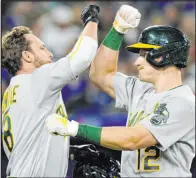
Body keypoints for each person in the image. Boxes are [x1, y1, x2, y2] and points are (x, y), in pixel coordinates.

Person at [45, 4, 195, 177]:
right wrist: (117, 30)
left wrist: (76, 129)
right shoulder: (141, 89)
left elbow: (134, 138)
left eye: (144, 55)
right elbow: (100, 75)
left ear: (165, 56)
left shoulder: (183, 102)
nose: (137, 62)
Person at [1, 4, 100, 177]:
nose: (50, 53)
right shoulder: (36, 80)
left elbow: (32, 140)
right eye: (42, 48)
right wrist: (92, 20)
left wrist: (70, 151)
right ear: (27, 56)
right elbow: (83, 56)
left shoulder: (13, 91)